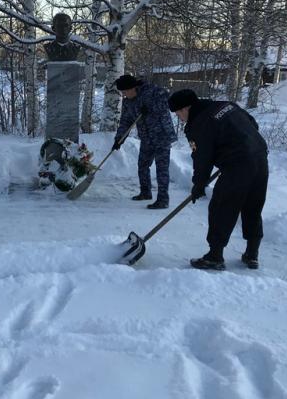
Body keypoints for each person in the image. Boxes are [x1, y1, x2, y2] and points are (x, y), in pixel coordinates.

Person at [167, 89, 268, 270]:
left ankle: (215, 256)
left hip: (237, 165)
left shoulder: (199, 124)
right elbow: (252, 123)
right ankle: (252, 254)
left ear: (186, 108)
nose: (178, 117)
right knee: (252, 206)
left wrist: (199, 184)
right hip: (260, 158)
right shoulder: (226, 105)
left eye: (177, 113)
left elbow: (202, 158)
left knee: (222, 207)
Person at [112, 74, 177, 209]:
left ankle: (163, 200)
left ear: (132, 88)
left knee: (161, 169)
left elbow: (167, 101)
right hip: (146, 138)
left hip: (162, 136)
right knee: (142, 165)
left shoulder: (152, 91)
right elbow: (126, 121)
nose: (124, 95)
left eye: (124, 92)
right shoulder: (128, 102)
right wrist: (119, 139)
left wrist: (151, 107)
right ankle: (145, 192)